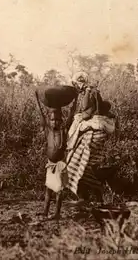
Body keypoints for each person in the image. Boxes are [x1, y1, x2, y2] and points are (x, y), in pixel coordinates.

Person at [65, 72, 116, 205]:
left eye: (77, 84)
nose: (77, 86)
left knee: (81, 164)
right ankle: (89, 198)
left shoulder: (89, 92)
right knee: (82, 164)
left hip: (93, 133)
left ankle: (92, 197)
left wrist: (80, 116)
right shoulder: (89, 92)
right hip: (93, 132)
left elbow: (87, 111)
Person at [34, 88, 68, 220]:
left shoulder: (63, 130)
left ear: (61, 121)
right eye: (53, 120)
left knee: (59, 190)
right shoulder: (47, 130)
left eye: (58, 120)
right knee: (48, 189)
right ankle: (45, 212)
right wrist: (37, 99)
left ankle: (57, 213)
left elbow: (71, 115)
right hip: (50, 164)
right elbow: (41, 114)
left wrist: (76, 100)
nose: (55, 122)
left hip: (60, 164)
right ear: (49, 120)